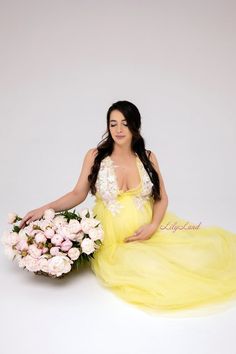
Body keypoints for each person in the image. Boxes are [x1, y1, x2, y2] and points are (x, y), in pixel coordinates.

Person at [19, 100, 236, 316]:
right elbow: (78, 194)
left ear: (135, 126)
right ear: (107, 127)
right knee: (148, 270)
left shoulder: (148, 157)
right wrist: (46, 208)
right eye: (113, 124)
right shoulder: (95, 156)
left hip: (148, 227)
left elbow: (162, 198)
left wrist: (152, 226)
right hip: (113, 236)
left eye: (124, 123)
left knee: (196, 257)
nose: (119, 129)